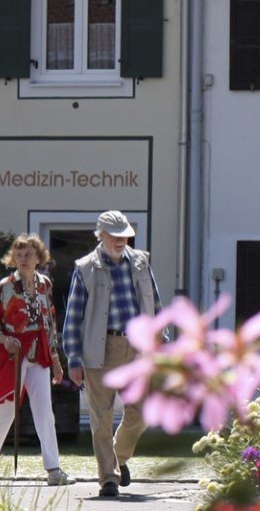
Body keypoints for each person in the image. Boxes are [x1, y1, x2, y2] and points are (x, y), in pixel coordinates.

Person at [63, 211, 160, 498]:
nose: (121, 240)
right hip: (99, 347)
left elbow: (155, 303)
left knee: (140, 413)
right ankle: (108, 478)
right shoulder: (85, 268)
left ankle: (118, 458)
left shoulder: (141, 262)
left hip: (139, 347)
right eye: (115, 235)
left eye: (125, 235)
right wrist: (73, 358)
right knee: (101, 417)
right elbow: (73, 317)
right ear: (101, 235)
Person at [0, 234, 73, 486]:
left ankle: (53, 469)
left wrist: (55, 360)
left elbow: (49, 323)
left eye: (28, 254)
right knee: (5, 410)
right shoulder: (6, 286)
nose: (23, 259)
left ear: (38, 258)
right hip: (15, 354)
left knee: (44, 411)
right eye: (18, 255)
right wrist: (5, 339)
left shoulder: (45, 284)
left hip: (39, 354)